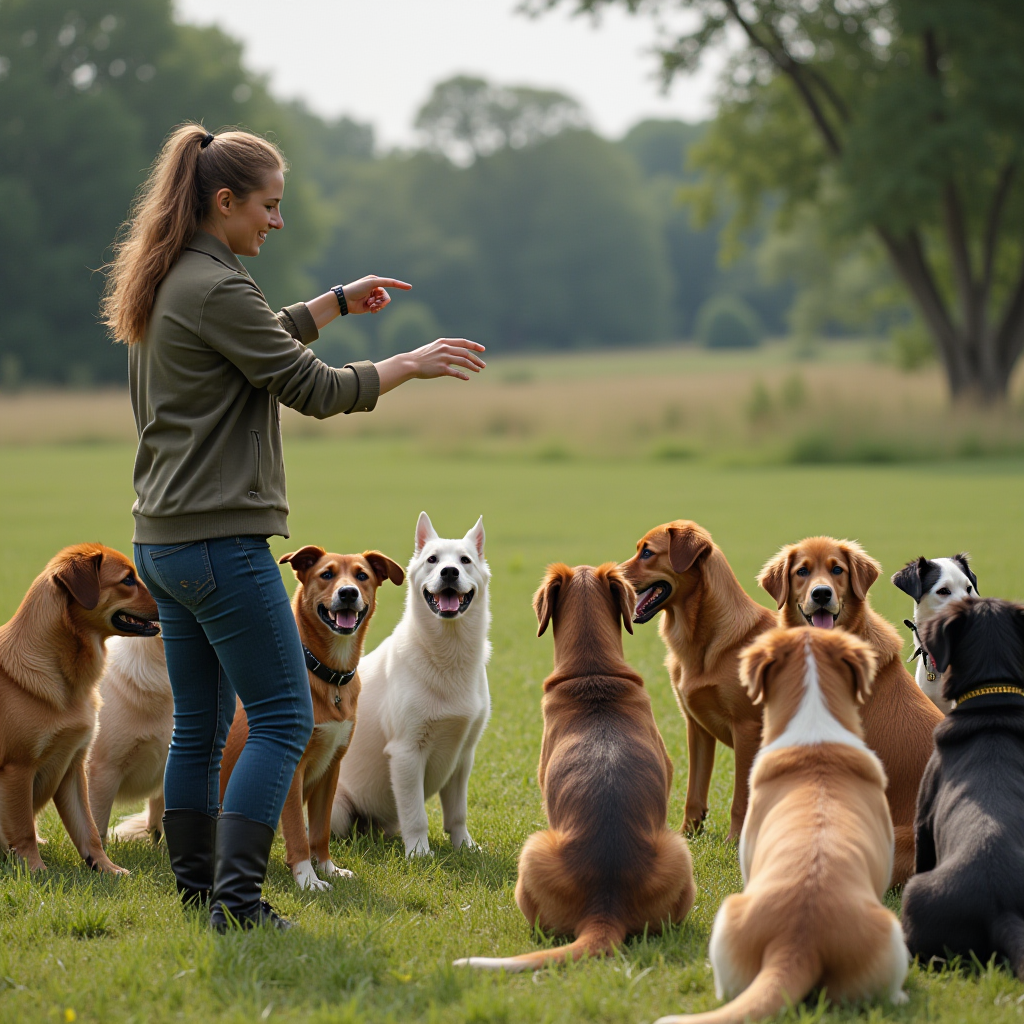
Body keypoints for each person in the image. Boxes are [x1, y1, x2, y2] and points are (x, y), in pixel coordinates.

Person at [101, 123, 485, 930]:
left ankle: (200, 893)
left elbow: (259, 339)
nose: (276, 222)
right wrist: (404, 365)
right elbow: (308, 387)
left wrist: (335, 304)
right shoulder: (218, 286)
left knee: (200, 731)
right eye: (268, 207)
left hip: (161, 543)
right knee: (282, 717)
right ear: (225, 201)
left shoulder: (174, 278)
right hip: (218, 543)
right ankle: (239, 901)